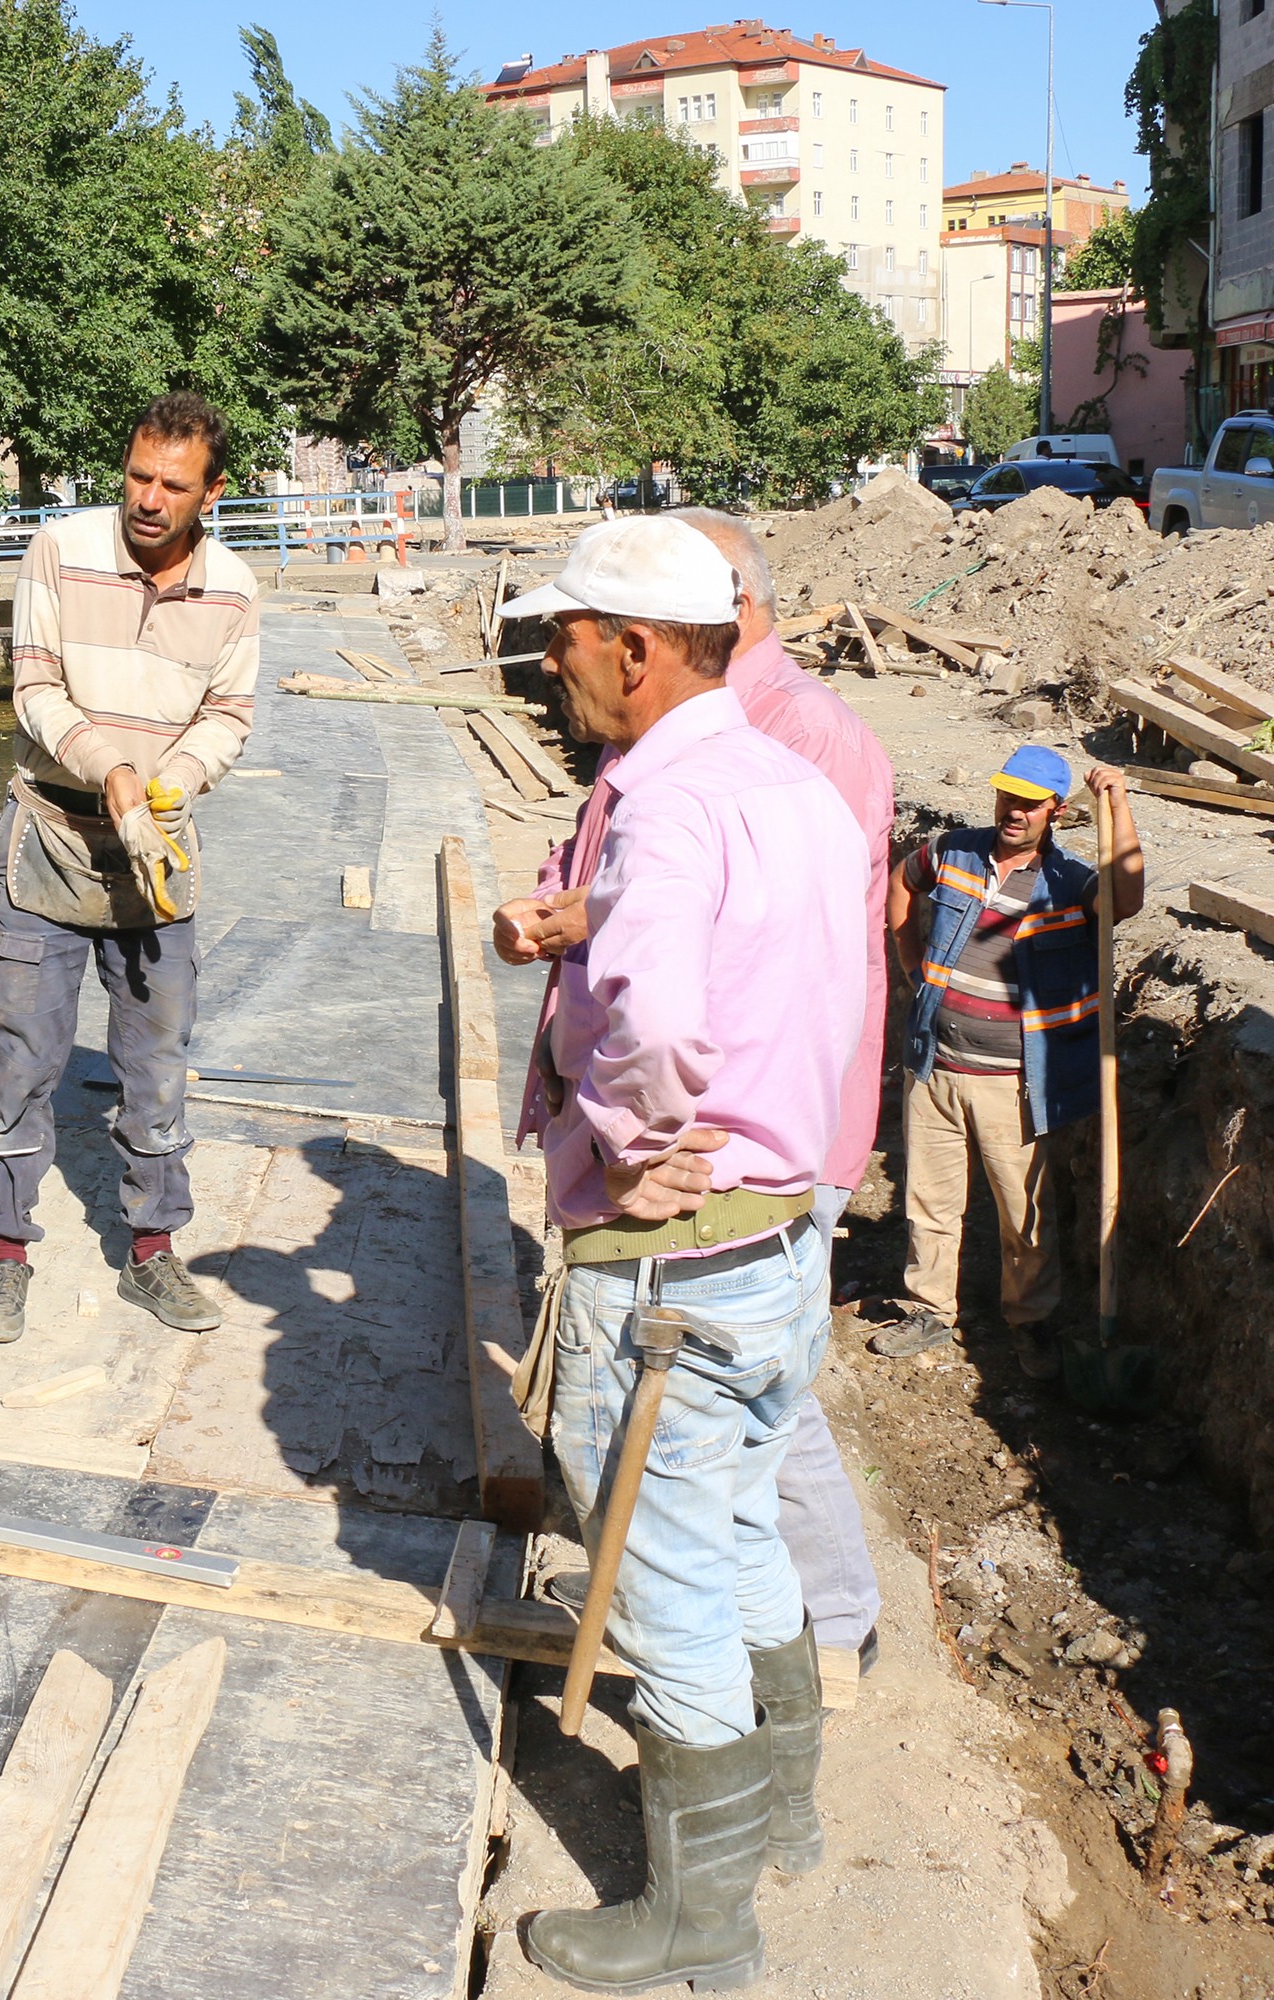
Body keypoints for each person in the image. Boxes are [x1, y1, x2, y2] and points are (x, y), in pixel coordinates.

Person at [497, 519, 864, 1995]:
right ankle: (783, 1820)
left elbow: (653, 1020)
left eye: (565, 641)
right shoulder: (796, 784)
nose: (551, 665)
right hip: (778, 1241)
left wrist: (634, 1146)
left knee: (662, 1587)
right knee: (746, 1534)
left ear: (633, 650)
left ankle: (698, 1922)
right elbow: (810, 992)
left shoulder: (662, 809)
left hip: (674, 1277)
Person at [0, 392, 260, 1344]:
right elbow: (36, 683)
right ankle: (3, 1253)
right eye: (137, 475)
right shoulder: (62, 552)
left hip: (157, 850)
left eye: (173, 485)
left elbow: (229, 714)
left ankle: (152, 1251)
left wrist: (170, 783)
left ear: (213, 491)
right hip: (51, 830)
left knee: (157, 1064)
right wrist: (110, 770)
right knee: (20, 1057)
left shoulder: (236, 589)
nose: (148, 498)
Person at [880, 745, 1145, 1375]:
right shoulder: (953, 852)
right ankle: (929, 1310)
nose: (1015, 811)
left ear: (1055, 810)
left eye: (1030, 803)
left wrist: (1121, 804)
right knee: (930, 1199)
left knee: (1022, 1211)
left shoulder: (1068, 883)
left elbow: (1126, 899)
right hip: (935, 1063)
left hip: (1014, 1081)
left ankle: (1030, 1321)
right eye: (1007, 796)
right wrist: (912, 968)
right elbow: (901, 882)